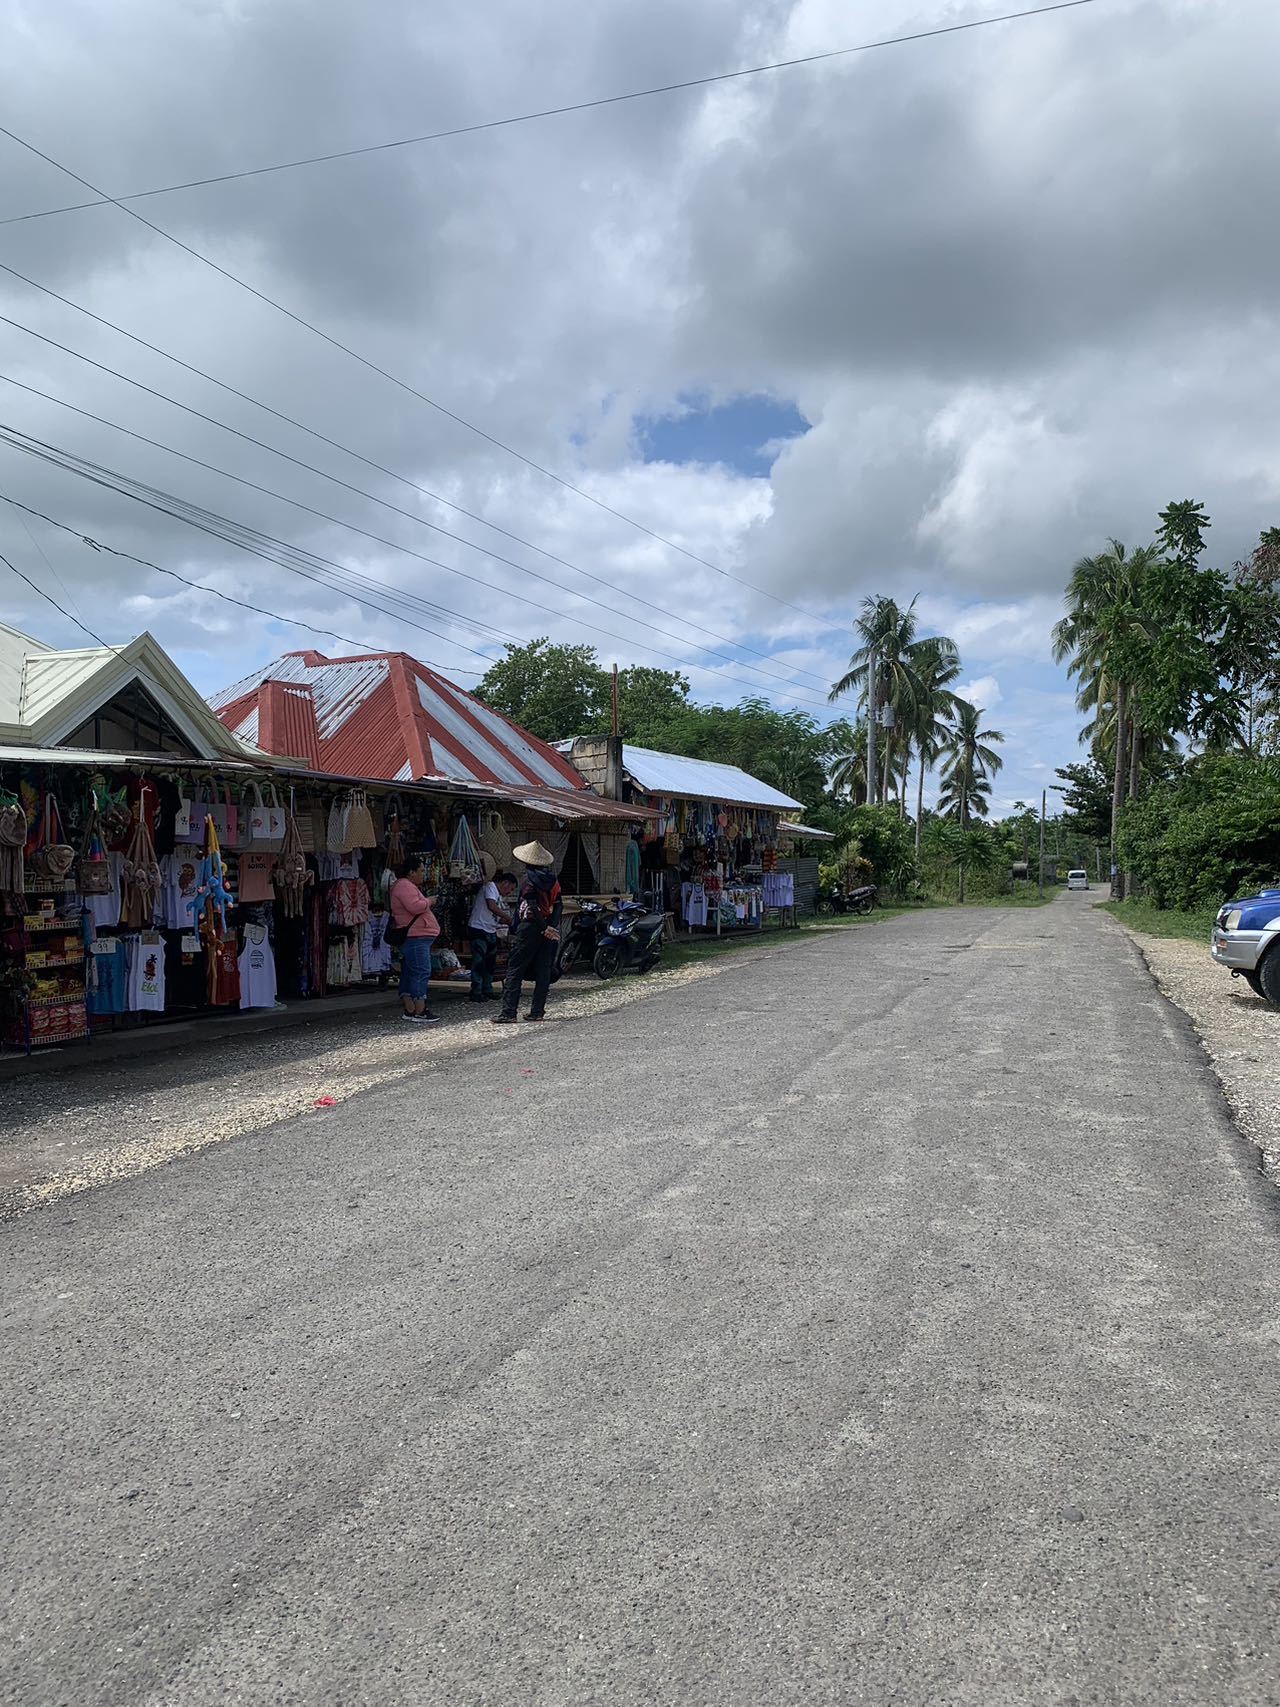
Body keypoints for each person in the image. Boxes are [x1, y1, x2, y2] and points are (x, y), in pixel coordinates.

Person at [492, 841, 561, 1025]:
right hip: (546, 927)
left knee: (515, 969)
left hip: (530, 927)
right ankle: (537, 1011)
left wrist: (542, 927)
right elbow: (559, 905)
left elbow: (532, 907)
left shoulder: (529, 882)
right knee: (543, 971)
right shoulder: (554, 881)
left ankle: (509, 1012)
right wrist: (550, 927)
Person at [390, 855, 441, 1025]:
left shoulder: (405, 885)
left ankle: (410, 1007)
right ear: (411, 872)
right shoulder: (404, 885)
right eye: (420, 870)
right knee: (420, 971)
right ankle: (419, 1010)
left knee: (410, 971)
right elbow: (414, 906)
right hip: (416, 935)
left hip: (417, 935)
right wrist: (429, 901)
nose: (423, 874)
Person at [468, 856, 512, 1004]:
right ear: (505, 883)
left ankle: (487, 989)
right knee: (479, 962)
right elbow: (491, 906)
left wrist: (503, 920)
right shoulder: (490, 887)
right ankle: (476, 991)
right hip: (479, 928)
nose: (509, 892)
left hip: (490, 929)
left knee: (489, 963)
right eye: (510, 889)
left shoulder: (497, 894)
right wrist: (507, 917)